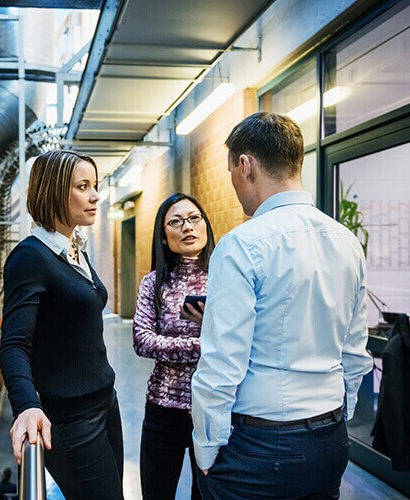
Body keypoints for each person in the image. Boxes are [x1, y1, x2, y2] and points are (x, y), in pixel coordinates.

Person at [191, 112, 373, 499]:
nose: (236, 187)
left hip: (261, 446)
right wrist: (340, 414)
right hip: (330, 439)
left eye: (231, 174)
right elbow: (355, 352)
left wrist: (206, 444)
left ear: (246, 165)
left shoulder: (241, 245)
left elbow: (222, 362)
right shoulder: (347, 242)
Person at [0, 150, 123, 499]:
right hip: (71, 421)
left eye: (94, 185)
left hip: (105, 403)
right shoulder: (31, 257)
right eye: (83, 186)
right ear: (54, 191)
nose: (95, 195)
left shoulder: (74, 249)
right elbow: (14, 344)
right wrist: (26, 405)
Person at [133, 193, 215, 500]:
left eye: (194, 218)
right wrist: (205, 343)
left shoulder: (227, 278)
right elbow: (142, 341)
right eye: (176, 222)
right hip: (162, 410)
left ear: (205, 225)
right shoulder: (153, 283)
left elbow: (246, 340)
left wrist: (209, 335)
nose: (187, 227)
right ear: (164, 237)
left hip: (213, 408)